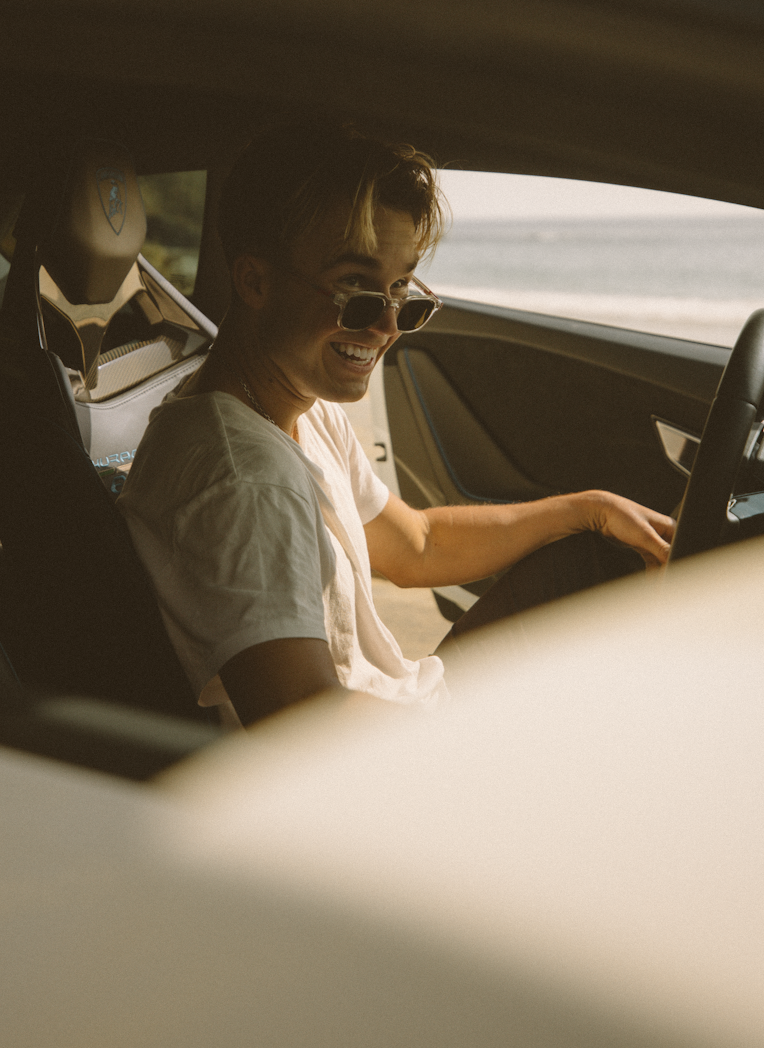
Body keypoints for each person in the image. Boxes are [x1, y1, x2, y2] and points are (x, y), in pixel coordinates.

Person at [118, 125, 674, 726]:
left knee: (594, 560)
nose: (386, 325)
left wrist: (584, 508)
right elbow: (303, 722)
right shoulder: (245, 482)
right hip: (396, 757)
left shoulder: (297, 405)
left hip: (411, 708)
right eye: (355, 288)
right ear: (256, 281)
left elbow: (416, 545)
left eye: (402, 289)